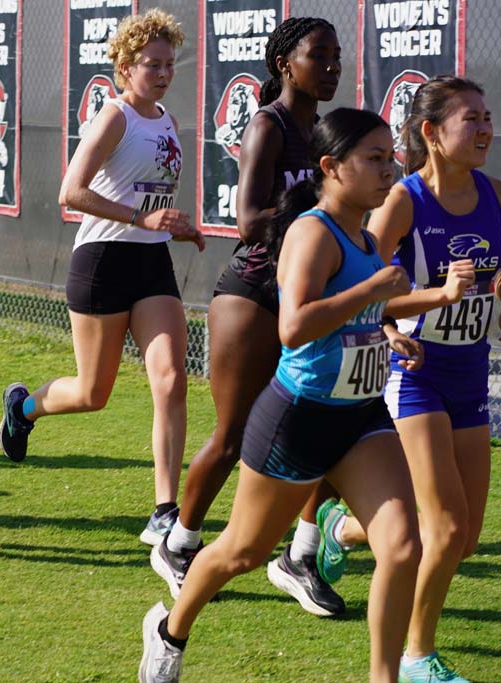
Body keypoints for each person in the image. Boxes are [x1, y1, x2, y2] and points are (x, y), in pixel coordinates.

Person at [138, 108, 424, 683]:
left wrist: (394, 321)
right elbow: (293, 327)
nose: (387, 168)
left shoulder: (364, 236)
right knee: (240, 553)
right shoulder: (312, 232)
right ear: (330, 167)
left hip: (361, 415)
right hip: (298, 418)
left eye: (390, 156)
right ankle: (170, 630)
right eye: (373, 157)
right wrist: (373, 289)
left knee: (402, 546)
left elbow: (360, 311)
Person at [317, 77, 501, 683]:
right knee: (447, 527)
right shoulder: (405, 201)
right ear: (431, 133)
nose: (485, 129)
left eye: (488, 117)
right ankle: (416, 656)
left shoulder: (500, 195)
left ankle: (343, 527)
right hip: (416, 371)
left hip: (470, 369)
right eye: (471, 119)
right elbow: (365, 275)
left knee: (466, 540)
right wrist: (385, 331)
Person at [152, 17, 356, 616]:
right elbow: (245, 223)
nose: (332, 66)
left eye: (338, 56)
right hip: (254, 291)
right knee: (234, 434)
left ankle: (299, 555)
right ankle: (179, 542)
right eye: (319, 55)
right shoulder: (268, 124)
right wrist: (310, 211)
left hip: (311, 290)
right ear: (284, 64)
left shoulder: (324, 132)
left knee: (333, 425)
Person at [0, 9, 204, 544]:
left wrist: (172, 225)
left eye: (168, 64)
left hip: (152, 263)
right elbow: (71, 192)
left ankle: (165, 508)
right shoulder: (114, 117)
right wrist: (140, 218)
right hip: (103, 262)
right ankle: (22, 408)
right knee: (93, 393)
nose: (161, 73)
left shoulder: (167, 121)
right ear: (125, 67)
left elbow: (151, 196)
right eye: (150, 64)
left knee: (172, 379)